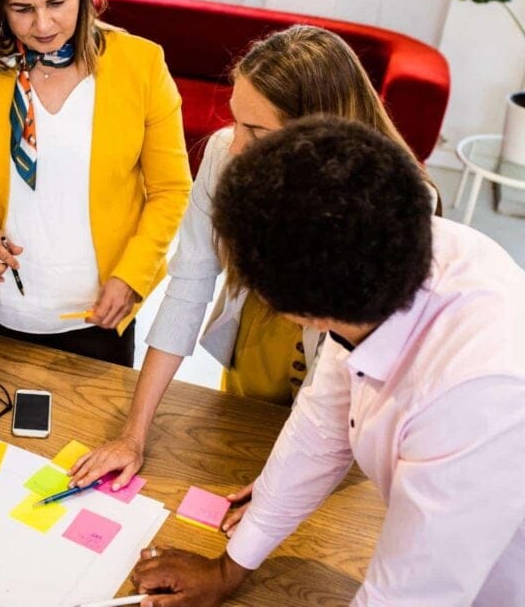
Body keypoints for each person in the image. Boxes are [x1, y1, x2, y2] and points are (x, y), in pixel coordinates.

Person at [130, 116, 525, 606]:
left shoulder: (476, 396)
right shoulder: (372, 269)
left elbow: (409, 595)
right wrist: (229, 569)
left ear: (300, 318)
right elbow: (320, 428)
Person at [70, 26, 435, 509]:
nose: (234, 145)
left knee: (312, 511)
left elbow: (339, 396)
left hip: (349, 381)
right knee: (235, 454)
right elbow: (189, 286)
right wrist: (133, 435)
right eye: (236, 121)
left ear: (316, 134)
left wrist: (281, 493)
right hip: (260, 339)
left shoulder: (400, 203)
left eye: (257, 131)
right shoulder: (224, 155)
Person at [0, 0, 190, 368]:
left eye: (57, 2)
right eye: (22, 9)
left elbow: (172, 190)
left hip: (100, 314)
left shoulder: (142, 65)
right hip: (4, 310)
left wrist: (133, 277)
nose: (43, 25)